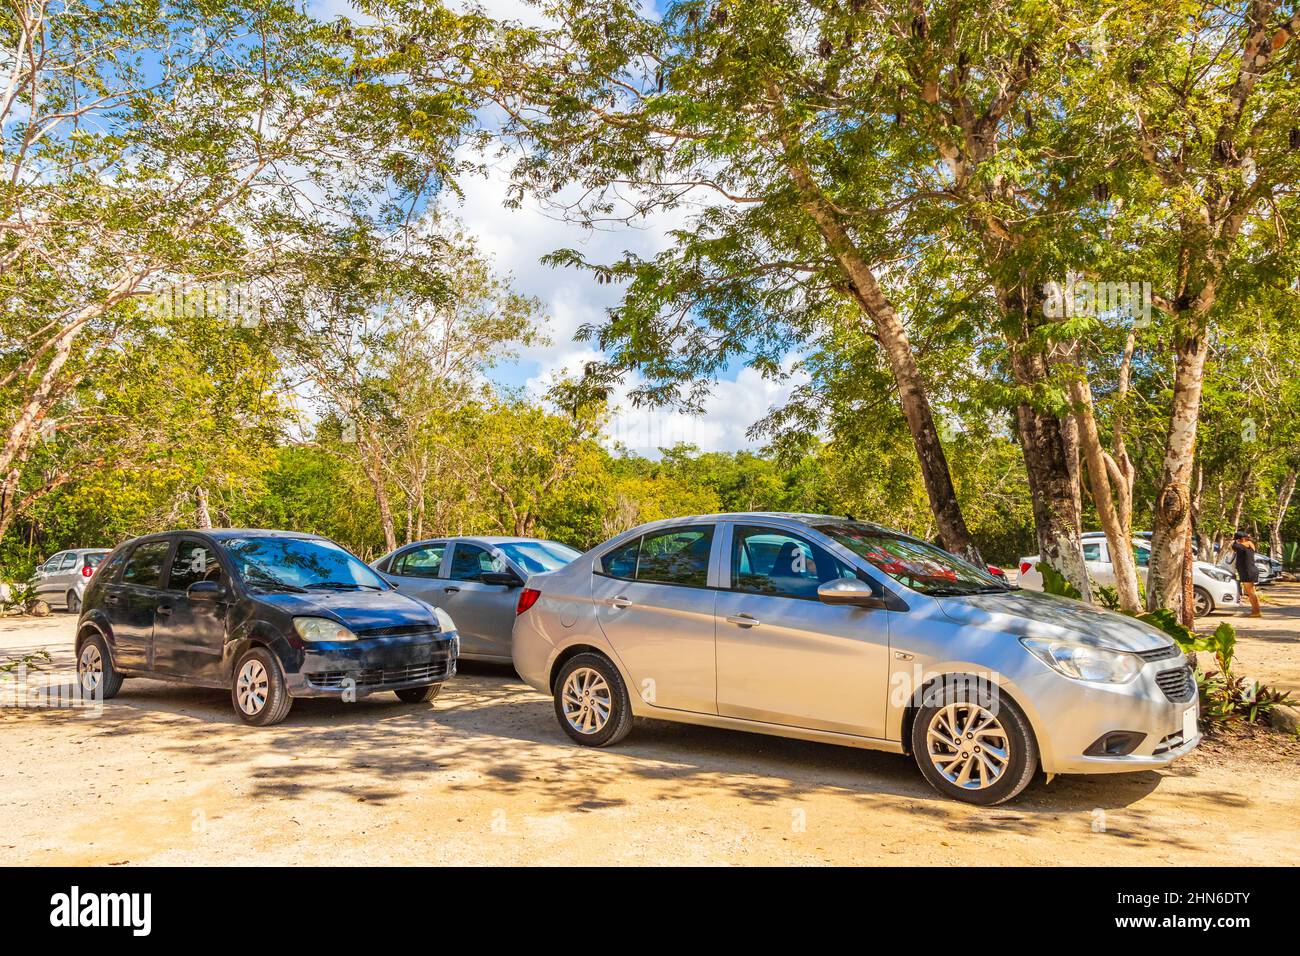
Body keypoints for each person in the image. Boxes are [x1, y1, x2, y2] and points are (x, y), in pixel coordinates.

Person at [1231, 531, 1262, 618]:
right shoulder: (1250, 544)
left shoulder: (1242, 546)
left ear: (1242, 539)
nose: (1237, 541)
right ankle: (1255, 610)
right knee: (1251, 592)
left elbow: (1234, 546)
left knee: (1251, 593)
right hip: (1249, 570)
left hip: (1247, 571)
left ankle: (1256, 612)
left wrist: (1235, 541)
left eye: (1238, 539)